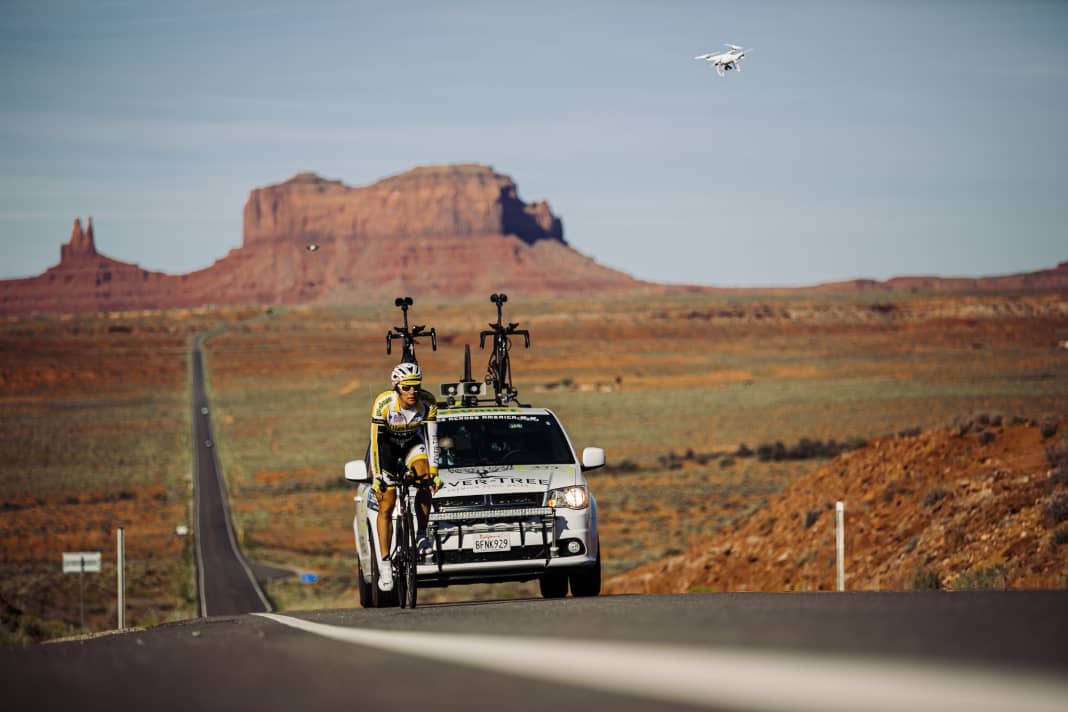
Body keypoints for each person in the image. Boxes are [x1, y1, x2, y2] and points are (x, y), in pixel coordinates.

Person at [368, 362, 441, 592]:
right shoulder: (383, 404)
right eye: (407, 388)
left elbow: (432, 441)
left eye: (416, 387)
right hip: (387, 448)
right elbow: (376, 442)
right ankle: (385, 563)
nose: (413, 392)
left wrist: (435, 473)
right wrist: (377, 476)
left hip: (412, 444)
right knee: (386, 504)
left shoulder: (428, 403)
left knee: (424, 475)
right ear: (397, 387)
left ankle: (421, 534)